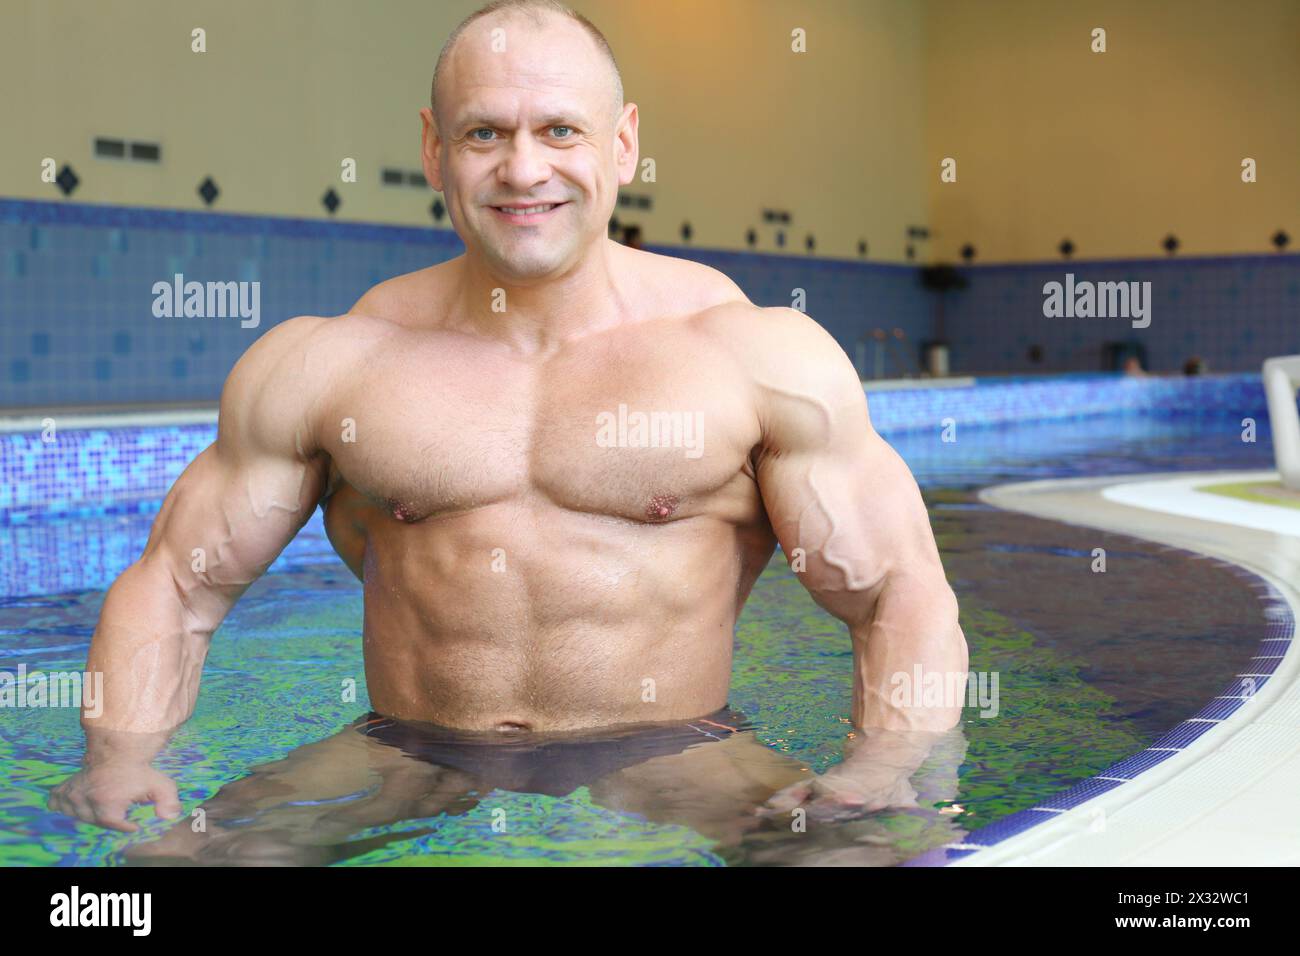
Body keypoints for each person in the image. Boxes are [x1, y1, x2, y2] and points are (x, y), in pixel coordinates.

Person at [51, 0, 967, 854]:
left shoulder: (757, 357)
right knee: (176, 870)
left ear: (624, 144)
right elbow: (176, 584)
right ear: (433, 148)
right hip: (406, 748)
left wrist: (882, 764)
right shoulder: (329, 364)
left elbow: (899, 592)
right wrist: (122, 758)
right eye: (485, 132)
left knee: (853, 858)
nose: (524, 170)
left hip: (680, 747)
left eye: (559, 130)